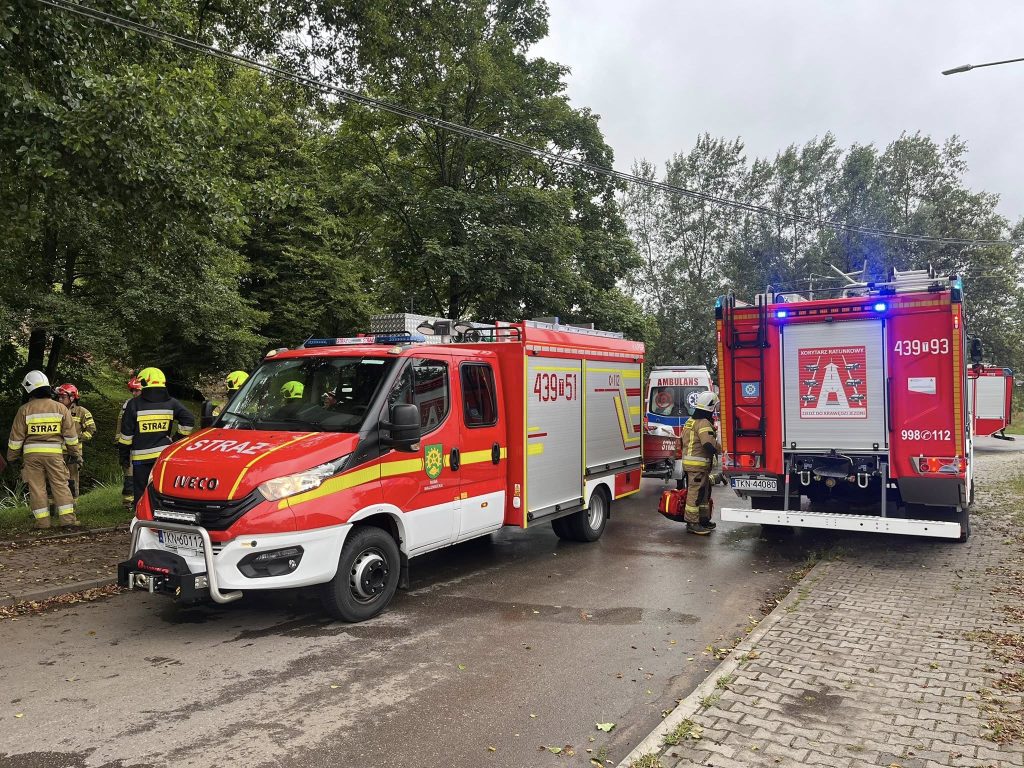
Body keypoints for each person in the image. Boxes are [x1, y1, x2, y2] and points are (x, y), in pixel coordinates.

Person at [6, 371, 81, 528]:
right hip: (55, 455)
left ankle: (42, 522)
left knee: (37, 488)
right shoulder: (60, 408)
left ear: (30, 390)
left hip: (31, 456)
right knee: (60, 485)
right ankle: (68, 521)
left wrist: (12, 458)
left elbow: (16, 438)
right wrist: (75, 454)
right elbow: (71, 436)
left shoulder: (24, 410)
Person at [117, 367, 195, 508]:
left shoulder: (134, 404)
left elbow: (126, 436)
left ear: (144, 383)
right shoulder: (172, 403)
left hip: (141, 460)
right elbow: (189, 420)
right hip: (163, 457)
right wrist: (176, 439)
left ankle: (142, 518)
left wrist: (123, 455)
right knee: (161, 490)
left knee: (141, 494)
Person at [679, 391, 723, 535]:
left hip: (693, 464)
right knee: (696, 493)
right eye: (714, 407)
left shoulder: (691, 421)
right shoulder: (703, 422)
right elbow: (708, 444)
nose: (715, 410)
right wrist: (721, 450)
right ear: (710, 407)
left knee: (703, 492)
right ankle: (692, 523)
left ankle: (703, 520)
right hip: (697, 465)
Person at [55, 383, 95, 502]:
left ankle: (73, 505)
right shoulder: (55, 410)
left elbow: (91, 430)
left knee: (72, 480)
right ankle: (57, 505)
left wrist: (77, 439)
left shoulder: (82, 412)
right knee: (56, 479)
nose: (60, 399)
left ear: (72, 398)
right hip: (56, 452)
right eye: (59, 397)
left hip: (73, 453)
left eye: (63, 397)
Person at [115, 377, 142, 509]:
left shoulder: (149, 405)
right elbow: (120, 423)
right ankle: (128, 502)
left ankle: (141, 501)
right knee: (129, 473)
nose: (134, 393)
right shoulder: (127, 404)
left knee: (142, 474)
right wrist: (118, 441)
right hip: (129, 444)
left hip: (143, 445)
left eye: (136, 390)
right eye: (132, 391)